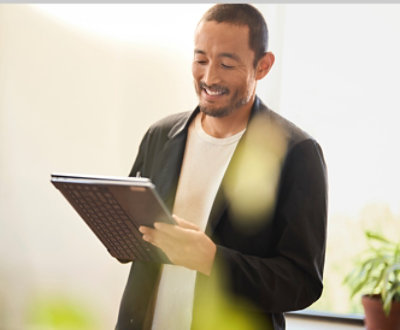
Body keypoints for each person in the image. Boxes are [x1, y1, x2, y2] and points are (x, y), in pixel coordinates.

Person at [116, 4, 327, 330]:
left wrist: (212, 260)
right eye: (200, 60)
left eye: (227, 63)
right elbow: (128, 241)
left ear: (263, 66)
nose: (209, 77)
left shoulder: (297, 153)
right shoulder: (159, 136)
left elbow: (302, 282)